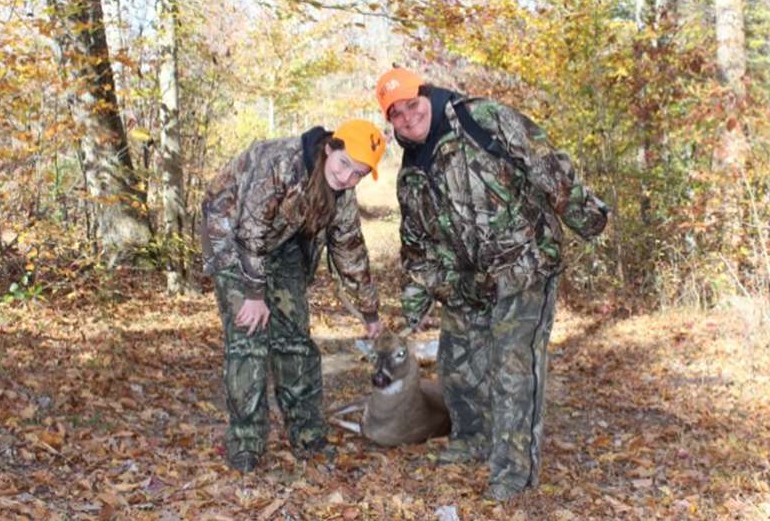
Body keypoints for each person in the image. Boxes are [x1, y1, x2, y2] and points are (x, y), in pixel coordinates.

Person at [375, 67, 609, 500]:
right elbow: (418, 246)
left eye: (412, 106)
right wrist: (411, 314)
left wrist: (586, 216)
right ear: (390, 123)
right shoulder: (410, 173)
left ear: (426, 95)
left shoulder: (482, 119)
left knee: (513, 368)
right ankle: (472, 440)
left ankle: (513, 472)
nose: (408, 118)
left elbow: (545, 163)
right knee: (457, 364)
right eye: (397, 115)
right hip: (469, 281)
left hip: (526, 264)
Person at [201, 119, 387, 473]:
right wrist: (255, 294)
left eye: (358, 174)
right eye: (344, 164)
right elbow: (248, 231)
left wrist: (370, 312)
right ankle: (246, 445)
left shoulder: (342, 194)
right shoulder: (280, 162)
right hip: (230, 235)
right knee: (249, 338)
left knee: (296, 341)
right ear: (331, 148)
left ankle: (308, 438)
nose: (347, 178)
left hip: (282, 244)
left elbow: (349, 251)